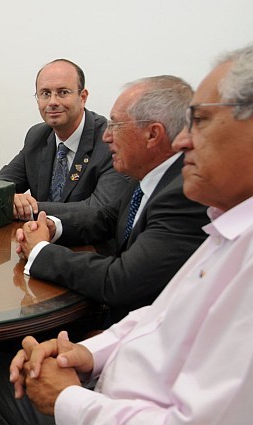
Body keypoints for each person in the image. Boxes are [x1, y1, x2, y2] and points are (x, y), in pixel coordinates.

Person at [0, 44, 253, 425]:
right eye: (44, 93)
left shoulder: (185, 199)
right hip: (110, 358)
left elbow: (118, 266)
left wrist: (67, 397)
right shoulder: (225, 226)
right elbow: (158, 316)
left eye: (200, 121)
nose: (185, 140)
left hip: (107, 393)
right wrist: (90, 352)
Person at [15, 75, 209, 326]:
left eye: (116, 125)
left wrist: (41, 252)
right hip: (116, 318)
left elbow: (121, 281)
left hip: (138, 329)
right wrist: (53, 227)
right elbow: (106, 217)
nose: (107, 137)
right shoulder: (147, 177)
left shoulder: (183, 195)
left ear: (153, 134)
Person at [0, 59, 129, 220]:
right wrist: (11, 197)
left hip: (91, 243)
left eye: (63, 92)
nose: (52, 102)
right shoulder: (37, 135)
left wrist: (27, 208)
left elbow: (99, 208)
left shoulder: (110, 140)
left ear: (83, 97)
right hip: (37, 239)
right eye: (45, 94)